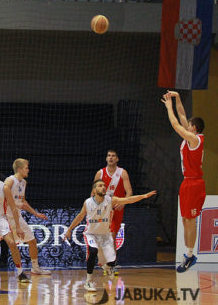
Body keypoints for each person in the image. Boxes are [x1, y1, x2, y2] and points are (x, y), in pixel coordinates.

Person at [63, 180, 156, 292]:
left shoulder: (111, 200)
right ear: (94, 190)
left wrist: (144, 196)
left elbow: (128, 200)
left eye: (104, 186)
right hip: (91, 234)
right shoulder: (87, 202)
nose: (103, 187)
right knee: (93, 252)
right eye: (100, 186)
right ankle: (88, 281)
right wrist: (69, 229)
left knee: (111, 261)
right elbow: (80, 216)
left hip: (105, 235)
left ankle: (107, 266)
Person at [161, 90, 206, 272]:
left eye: (189, 124)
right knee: (186, 219)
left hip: (195, 182)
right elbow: (182, 115)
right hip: (187, 181)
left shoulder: (194, 139)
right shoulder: (191, 136)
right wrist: (177, 97)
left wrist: (168, 106)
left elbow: (175, 122)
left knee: (191, 220)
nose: (186, 124)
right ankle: (188, 255)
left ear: (194, 128)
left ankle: (190, 254)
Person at [94, 149, 133, 273]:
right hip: (103, 209)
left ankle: (111, 264)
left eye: (113, 156)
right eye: (109, 156)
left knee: (112, 236)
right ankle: (108, 263)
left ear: (117, 159)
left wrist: (124, 202)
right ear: (106, 158)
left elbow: (129, 192)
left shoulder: (123, 173)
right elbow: (93, 193)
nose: (110, 158)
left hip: (116, 209)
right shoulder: (100, 173)